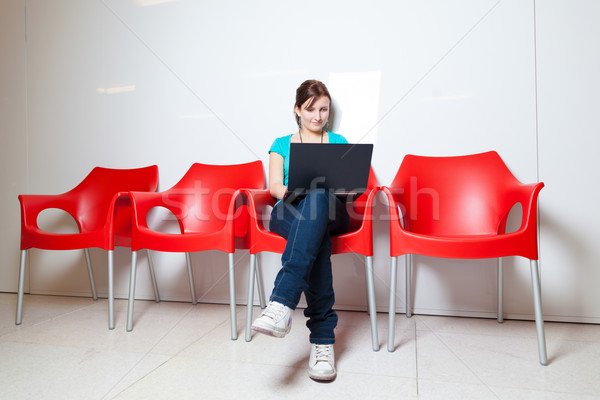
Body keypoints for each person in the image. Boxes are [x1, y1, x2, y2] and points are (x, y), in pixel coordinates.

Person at [251, 80, 350, 381]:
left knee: (320, 198)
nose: (318, 116)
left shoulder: (338, 140)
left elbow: (348, 185)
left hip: (331, 209)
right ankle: (323, 341)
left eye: (323, 109)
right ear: (297, 110)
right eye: (310, 109)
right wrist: (299, 193)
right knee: (314, 239)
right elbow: (274, 187)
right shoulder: (281, 143)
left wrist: (337, 190)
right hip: (289, 208)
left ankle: (281, 303)